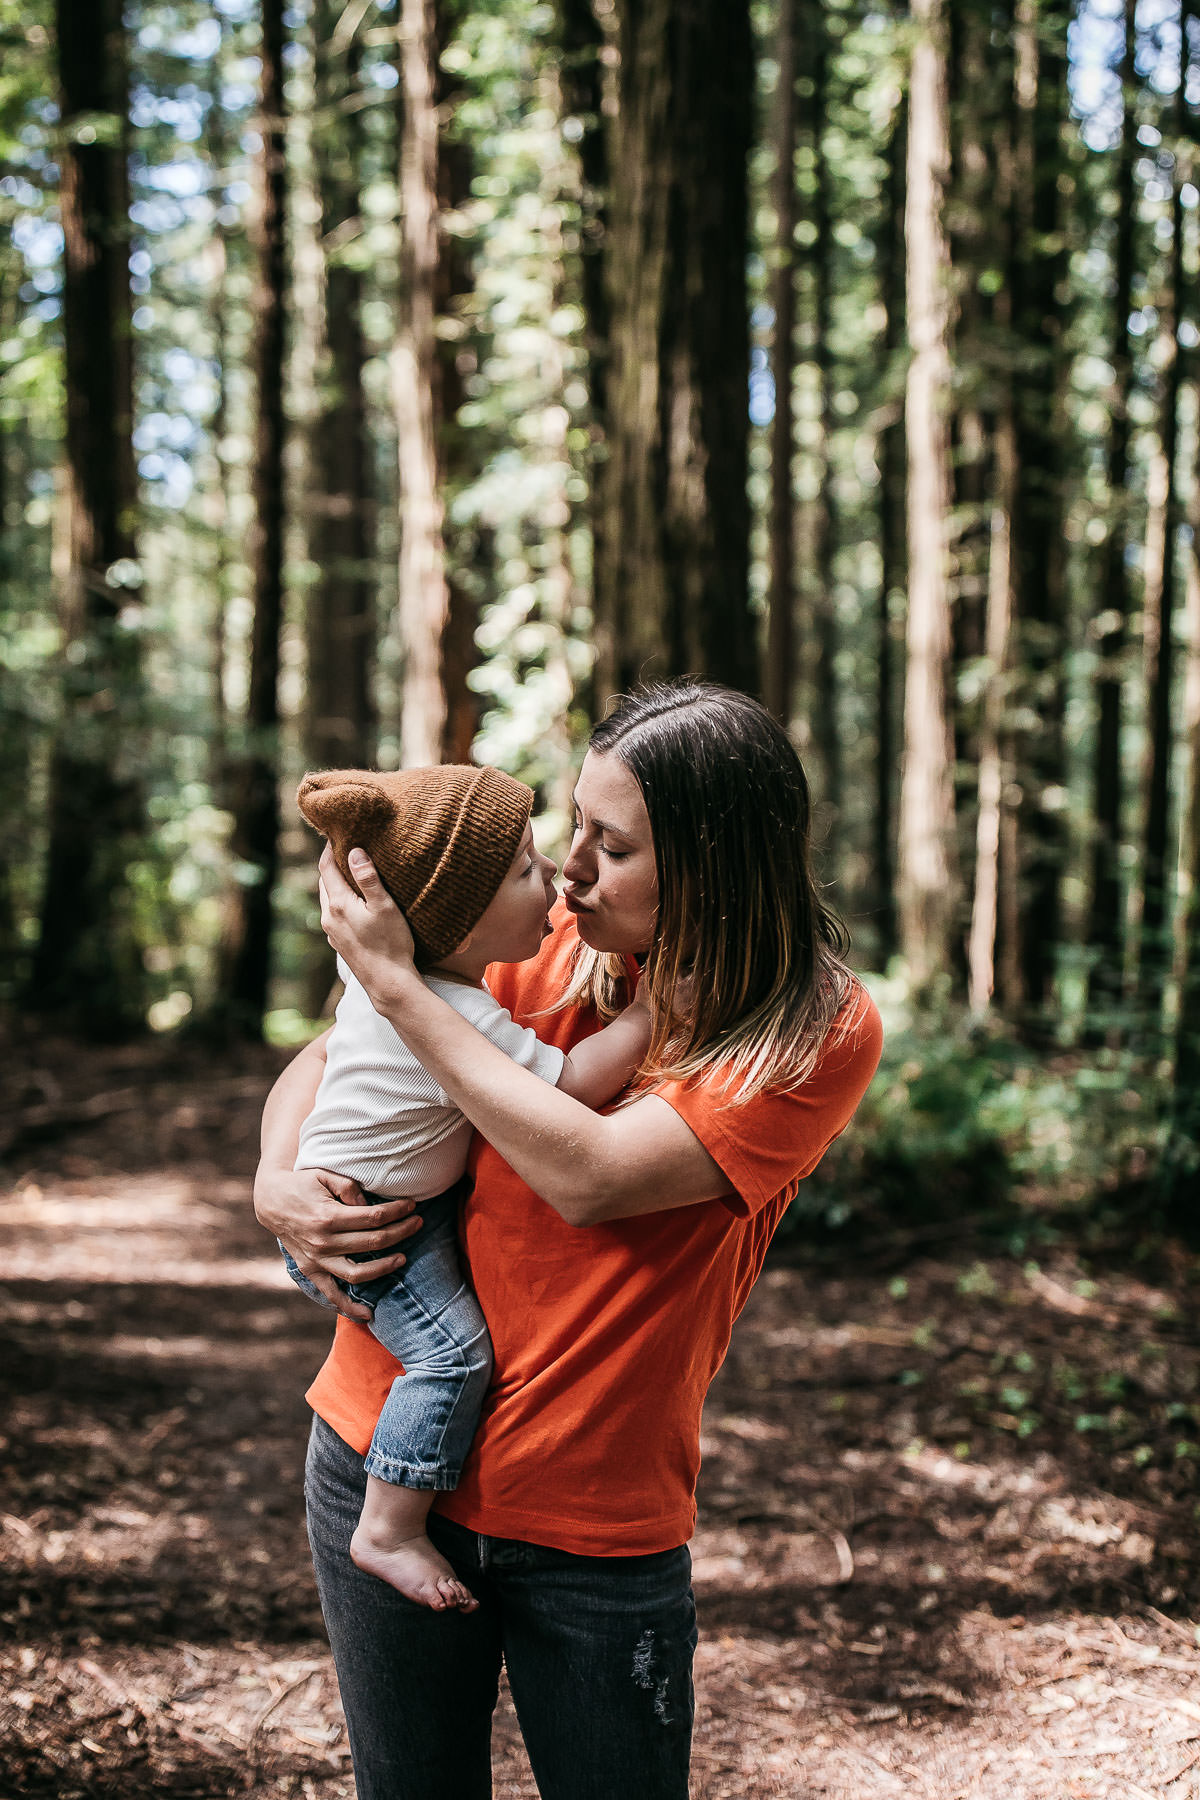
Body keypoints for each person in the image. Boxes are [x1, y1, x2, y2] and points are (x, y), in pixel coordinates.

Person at [254, 679, 884, 1800]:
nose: (575, 868)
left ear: (713, 864)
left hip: (594, 1519)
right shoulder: (538, 936)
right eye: (577, 828)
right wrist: (275, 1180)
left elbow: (588, 1177)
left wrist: (403, 989)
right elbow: (329, 1061)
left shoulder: (810, 1027)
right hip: (376, 1459)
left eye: (616, 845)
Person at [285, 763, 651, 1614]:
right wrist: (647, 1017)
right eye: (524, 871)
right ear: (455, 923)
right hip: (375, 1230)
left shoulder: (406, 990)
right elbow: (564, 1090)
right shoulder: (450, 1014)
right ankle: (388, 1525)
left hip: (388, 1206)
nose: (556, 881)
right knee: (452, 1357)